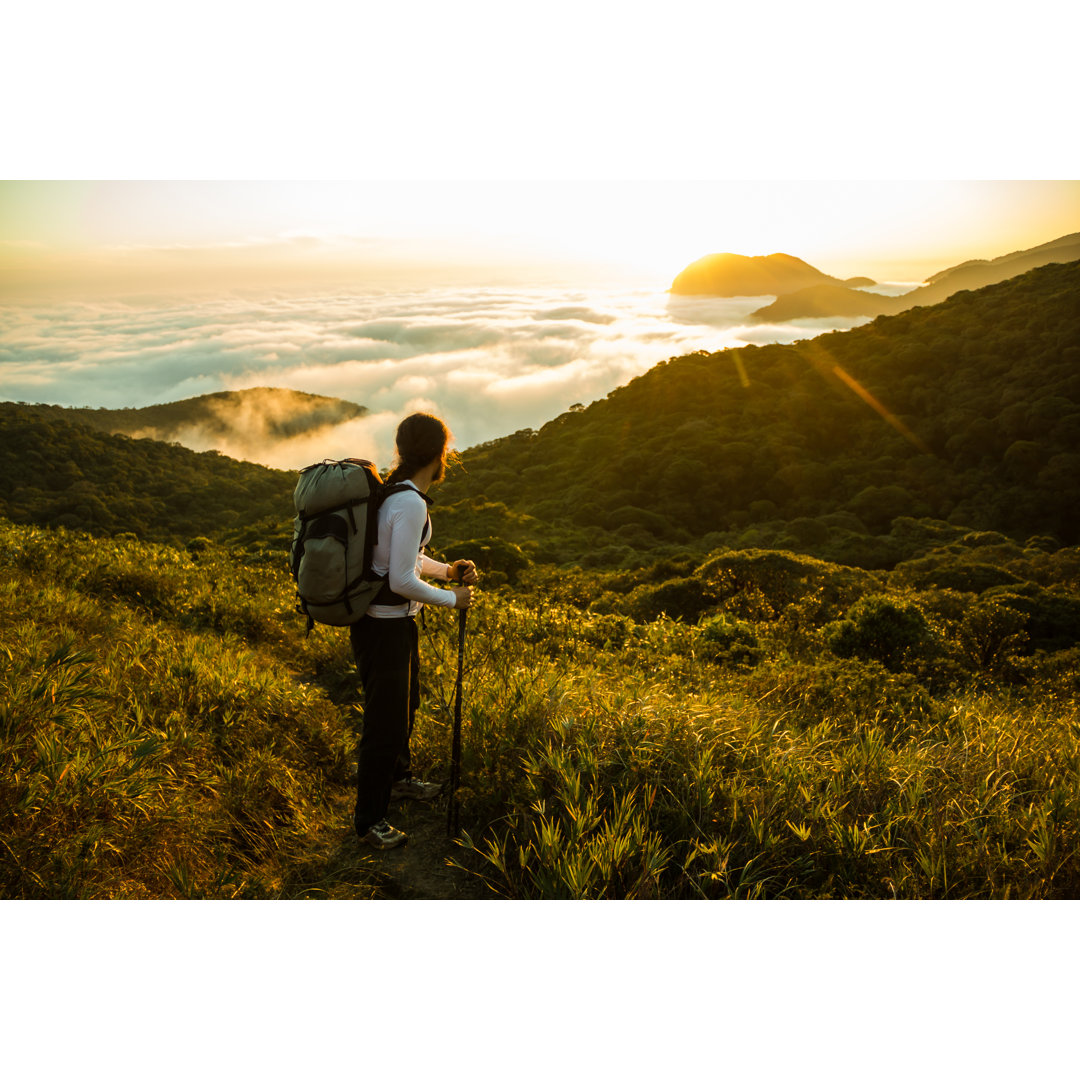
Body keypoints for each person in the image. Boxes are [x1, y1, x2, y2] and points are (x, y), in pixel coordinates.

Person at [351, 412, 478, 850]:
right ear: (440, 452)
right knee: (384, 724)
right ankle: (369, 822)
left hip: (392, 625)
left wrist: (447, 571)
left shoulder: (399, 495)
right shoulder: (408, 502)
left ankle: (400, 780)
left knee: (405, 708)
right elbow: (400, 581)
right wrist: (453, 599)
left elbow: (403, 559)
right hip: (384, 629)